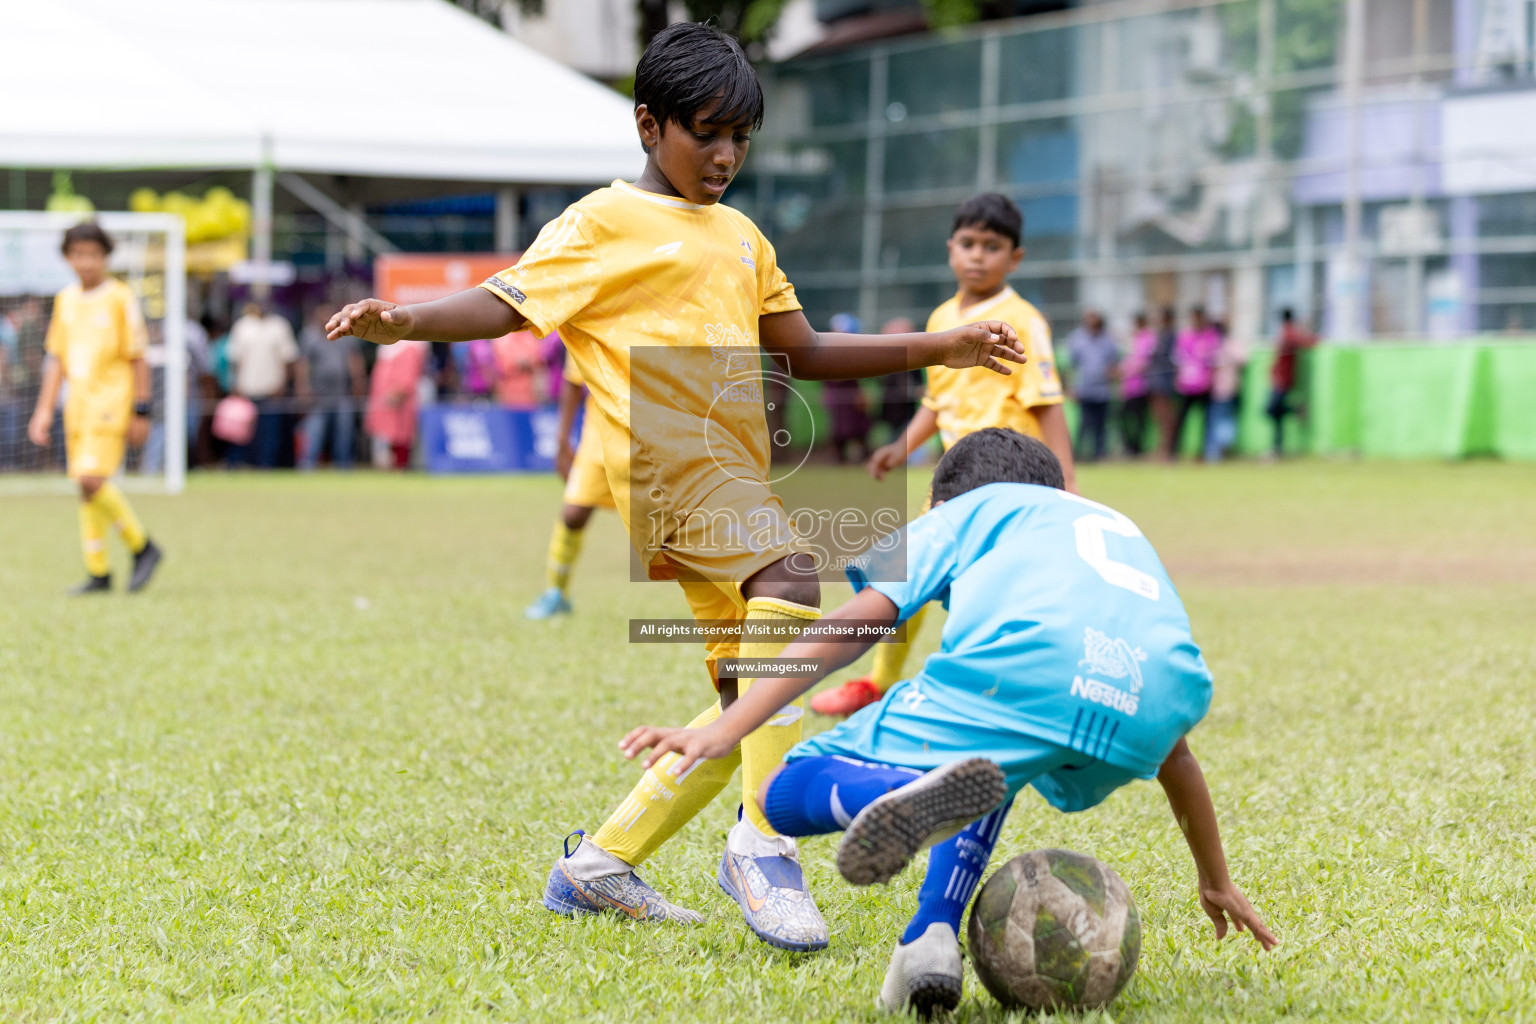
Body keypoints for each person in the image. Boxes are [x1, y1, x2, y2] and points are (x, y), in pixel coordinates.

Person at [325, 22, 1025, 952]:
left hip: (734, 466)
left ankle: (600, 866)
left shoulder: (742, 235)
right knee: (795, 578)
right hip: (661, 454)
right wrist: (403, 319)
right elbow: (505, 300)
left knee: (755, 692)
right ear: (650, 126)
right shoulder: (602, 220)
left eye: (742, 137)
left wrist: (942, 344)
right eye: (707, 132)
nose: (727, 154)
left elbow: (805, 351)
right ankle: (767, 846)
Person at [619, 428, 1276, 1016]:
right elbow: (1180, 759)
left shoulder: (962, 512)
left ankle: (891, 796)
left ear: (940, 501)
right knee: (989, 768)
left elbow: (858, 626)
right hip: (1158, 695)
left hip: (1026, 667)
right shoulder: (1102, 522)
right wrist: (1215, 879)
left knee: (780, 794)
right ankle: (928, 941)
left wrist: (727, 729)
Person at [813, 192, 1075, 718]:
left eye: (993, 246)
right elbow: (937, 402)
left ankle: (1012, 690)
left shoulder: (1024, 321)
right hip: (952, 485)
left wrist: (1067, 490)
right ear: (950, 248)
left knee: (983, 591)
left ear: (1015, 258)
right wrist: (900, 446)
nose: (978, 255)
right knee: (904, 571)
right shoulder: (942, 319)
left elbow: (1047, 406)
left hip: (1008, 486)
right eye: (969, 243)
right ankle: (880, 682)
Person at [26, 222, 164, 595]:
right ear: (68, 258)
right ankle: (98, 571)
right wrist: (43, 410)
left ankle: (143, 546)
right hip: (77, 406)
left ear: (105, 256)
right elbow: (56, 360)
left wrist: (142, 409)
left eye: (93, 254)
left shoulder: (120, 298)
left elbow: (138, 357)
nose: (86, 262)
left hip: (111, 404)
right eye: (78, 254)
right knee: (85, 488)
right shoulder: (65, 301)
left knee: (90, 479)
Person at [525, 346, 614, 619]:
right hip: (599, 437)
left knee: (677, 524)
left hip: (654, 437)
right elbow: (573, 381)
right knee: (573, 514)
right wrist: (562, 441)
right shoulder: (589, 318)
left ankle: (724, 599)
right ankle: (556, 593)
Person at [227, 300, 299, 468]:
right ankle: (243, 466)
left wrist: (282, 386)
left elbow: (288, 359)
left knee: (271, 437)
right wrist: (234, 385)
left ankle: (266, 467)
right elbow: (235, 360)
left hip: (272, 392)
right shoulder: (242, 326)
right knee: (243, 435)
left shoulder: (279, 326)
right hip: (247, 391)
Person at [297, 306, 364, 470]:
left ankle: (344, 466)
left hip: (342, 393)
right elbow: (303, 365)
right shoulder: (309, 335)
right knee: (315, 432)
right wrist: (303, 387)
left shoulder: (346, 333)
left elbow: (354, 360)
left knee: (344, 433)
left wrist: (357, 382)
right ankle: (308, 466)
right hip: (318, 396)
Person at [1065, 309, 1119, 463]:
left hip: (1103, 390)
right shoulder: (1077, 339)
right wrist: (1070, 386)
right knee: (1085, 423)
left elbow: (1114, 363)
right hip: (1084, 389)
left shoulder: (1108, 340)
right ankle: (1080, 454)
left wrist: (1113, 374)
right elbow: (1070, 365)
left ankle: (1100, 454)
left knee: (1101, 424)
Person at [364, 337, 427, 469]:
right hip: (383, 402)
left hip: (399, 402)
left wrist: (398, 393)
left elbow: (409, 375)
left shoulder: (411, 347)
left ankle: (400, 467)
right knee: (385, 436)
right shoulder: (391, 346)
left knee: (400, 437)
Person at [1171, 305, 1219, 459]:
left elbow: (1214, 361)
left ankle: (1204, 452)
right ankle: (1174, 452)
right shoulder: (1185, 336)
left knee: (1206, 421)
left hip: (1204, 386)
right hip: (1186, 386)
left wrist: (1211, 380)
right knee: (1181, 420)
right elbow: (1178, 359)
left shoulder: (1211, 336)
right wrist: (1178, 379)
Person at [1265, 308, 1315, 457]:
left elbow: (1307, 342)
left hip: (1283, 379)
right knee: (1276, 413)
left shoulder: (1289, 332)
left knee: (1271, 409)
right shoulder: (1285, 332)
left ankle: (1296, 411)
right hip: (1278, 378)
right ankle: (1277, 447)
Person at [822, 313, 871, 463]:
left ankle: (862, 455)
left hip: (851, 396)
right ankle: (838, 457)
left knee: (858, 426)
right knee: (840, 428)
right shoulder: (827, 351)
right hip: (837, 396)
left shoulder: (852, 351)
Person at [1204, 321, 1247, 463]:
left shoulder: (1230, 344)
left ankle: (1220, 452)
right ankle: (1214, 453)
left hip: (1229, 389)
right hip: (1214, 390)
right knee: (1216, 421)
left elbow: (1242, 360)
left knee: (1224, 421)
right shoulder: (1212, 345)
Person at [1118, 312, 1155, 457]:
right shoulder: (1133, 338)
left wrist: (1127, 371)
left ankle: (1137, 447)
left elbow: (1143, 363)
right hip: (1128, 387)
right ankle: (1130, 446)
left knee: (1139, 419)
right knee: (1123, 418)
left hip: (1141, 387)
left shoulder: (1148, 338)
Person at [1148, 306, 1180, 460]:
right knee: (1160, 419)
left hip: (1165, 382)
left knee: (1167, 419)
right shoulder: (1161, 336)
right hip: (1157, 381)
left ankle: (1167, 450)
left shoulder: (1171, 337)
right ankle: (1163, 449)